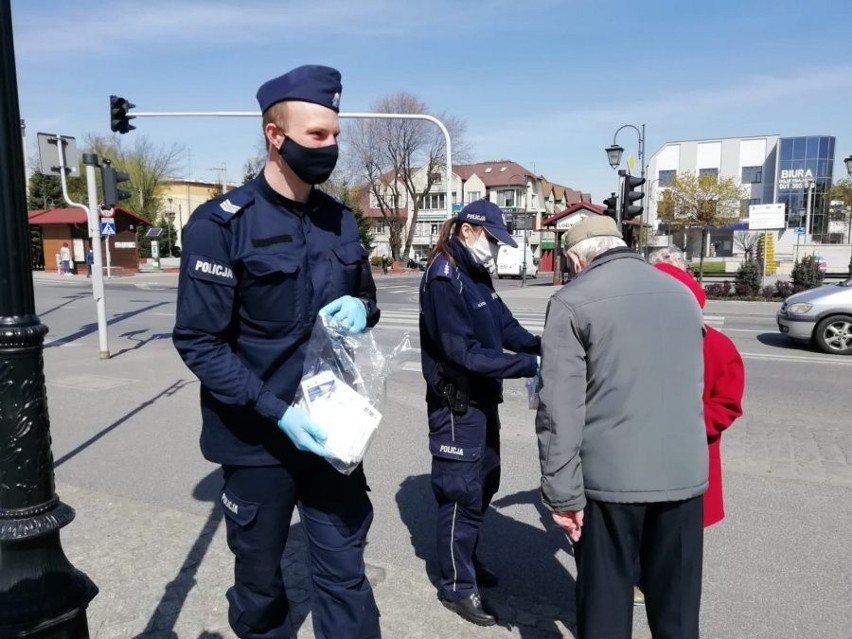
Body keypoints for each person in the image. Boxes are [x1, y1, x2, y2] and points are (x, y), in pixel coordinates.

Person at [172, 65, 382, 639]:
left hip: (332, 432)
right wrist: (277, 411)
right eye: (317, 135)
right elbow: (198, 340)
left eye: (335, 135)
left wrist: (364, 310)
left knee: (345, 574)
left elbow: (364, 294)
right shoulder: (221, 225)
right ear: (274, 134)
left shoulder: (339, 220)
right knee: (260, 584)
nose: (330, 147)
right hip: (256, 438)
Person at [536, 215, 707, 639]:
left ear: (577, 259)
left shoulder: (572, 301)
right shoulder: (682, 293)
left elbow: (560, 410)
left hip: (611, 484)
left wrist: (562, 495)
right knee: (679, 615)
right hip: (683, 478)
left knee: (606, 612)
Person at [419, 199, 540, 627]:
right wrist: (529, 366)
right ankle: (457, 586)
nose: (497, 248)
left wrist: (540, 346)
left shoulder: (474, 271)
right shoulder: (443, 278)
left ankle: (466, 561)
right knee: (460, 492)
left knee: (486, 482)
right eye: (493, 239)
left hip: (483, 400)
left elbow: (503, 324)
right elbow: (462, 354)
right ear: (469, 231)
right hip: (457, 404)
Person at [648, 246, 745, 527]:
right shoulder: (634, 340)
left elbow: (726, 405)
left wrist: (680, 424)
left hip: (688, 459)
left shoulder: (715, 344)